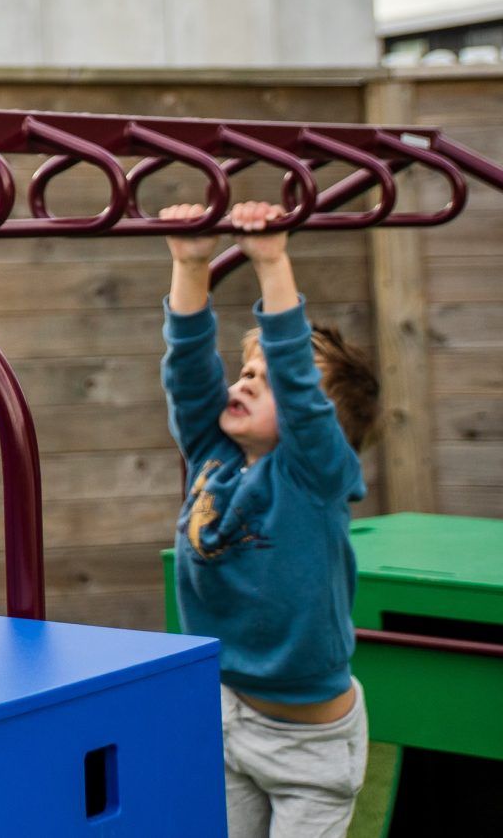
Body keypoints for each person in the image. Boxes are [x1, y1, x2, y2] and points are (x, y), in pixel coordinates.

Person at [161, 198, 384, 835]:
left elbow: (299, 384)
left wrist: (271, 260)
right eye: (248, 370)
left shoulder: (313, 476)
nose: (252, 380)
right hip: (227, 713)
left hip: (310, 743)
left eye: (274, 379)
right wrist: (191, 264)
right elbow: (187, 369)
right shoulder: (212, 455)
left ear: (322, 424)